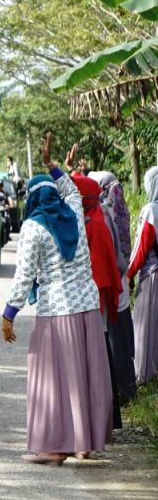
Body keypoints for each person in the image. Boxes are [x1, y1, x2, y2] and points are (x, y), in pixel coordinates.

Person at [2, 135, 112, 464]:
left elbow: (23, 276)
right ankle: (83, 444)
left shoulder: (33, 228)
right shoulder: (75, 215)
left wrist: (9, 313)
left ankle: (54, 446)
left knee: (53, 378)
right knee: (85, 374)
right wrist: (53, 165)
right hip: (88, 307)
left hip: (56, 310)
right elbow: (73, 191)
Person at [72, 173, 126, 428]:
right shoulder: (91, 216)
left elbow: (102, 268)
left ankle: (104, 419)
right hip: (91, 299)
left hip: (97, 300)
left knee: (99, 357)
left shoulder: (96, 223)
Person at [88, 170, 137, 403]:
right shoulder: (118, 209)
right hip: (121, 280)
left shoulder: (102, 216)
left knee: (113, 340)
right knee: (123, 337)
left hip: (109, 286)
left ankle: (118, 391)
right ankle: (127, 389)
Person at [127, 165, 158, 385]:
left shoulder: (151, 210)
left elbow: (142, 247)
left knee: (146, 325)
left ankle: (146, 375)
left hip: (152, 275)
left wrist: (129, 273)